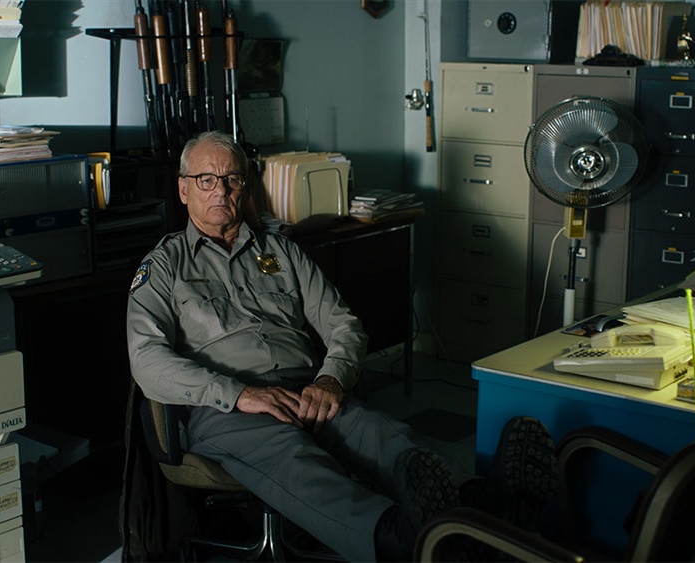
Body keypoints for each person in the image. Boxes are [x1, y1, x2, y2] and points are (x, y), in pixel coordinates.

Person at [126, 130, 556, 561]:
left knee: (380, 434)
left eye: (232, 179)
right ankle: (405, 538)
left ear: (246, 185)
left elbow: (343, 324)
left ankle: (487, 503)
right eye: (206, 180)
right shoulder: (163, 267)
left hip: (305, 389)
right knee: (295, 457)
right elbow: (146, 360)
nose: (220, 190)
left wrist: (330, 379)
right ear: (183, 189)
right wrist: (240, 395)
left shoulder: (282, 252)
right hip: (225, 408)